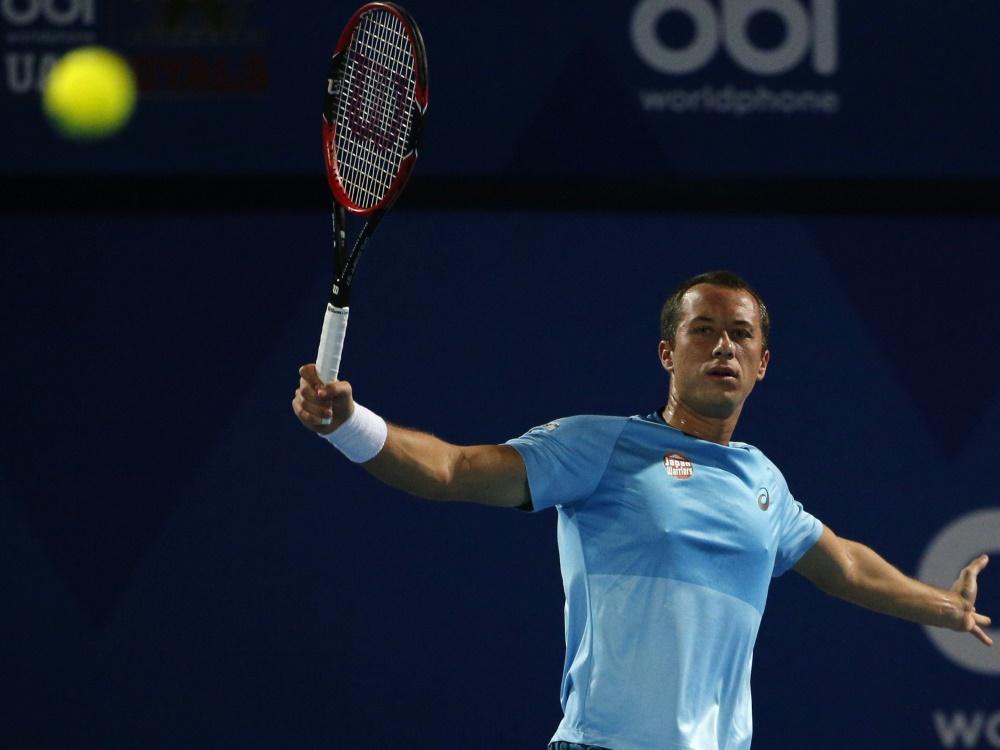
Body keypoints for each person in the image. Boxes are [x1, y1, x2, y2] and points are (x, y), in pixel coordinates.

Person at [292, 270, 992, 750]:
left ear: (763, 363)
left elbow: (841, 565)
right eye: (704, 330)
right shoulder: (599, 445)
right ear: (668, 352)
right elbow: (454, 470)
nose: (724, 345)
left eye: (741, 333)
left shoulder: (763, 481)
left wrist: (947, 609)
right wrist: (351, 426)